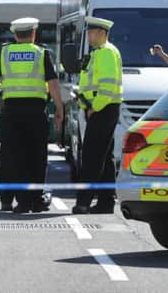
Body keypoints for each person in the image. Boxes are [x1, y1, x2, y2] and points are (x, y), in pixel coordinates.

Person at [0, 17, 64, 214]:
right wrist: (59, 108)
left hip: (11, 111)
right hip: (36, 110)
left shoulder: (4, 52)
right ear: (34, 33)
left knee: (16, 156)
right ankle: (36, 200)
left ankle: (22, 202)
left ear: (15, 35)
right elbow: (53, 84)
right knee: (37, 156)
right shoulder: (41, 53)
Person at [72, 16, 123, 215]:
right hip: (101, 108)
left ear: (102, 33)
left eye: (91, 32)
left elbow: (108, 87)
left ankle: (83, 202)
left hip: (102, 109)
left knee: (91, 157)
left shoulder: (106, 53)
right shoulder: (100, 53)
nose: (88, 35)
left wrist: (94, 107)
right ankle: (105, 202)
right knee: (105, 158)